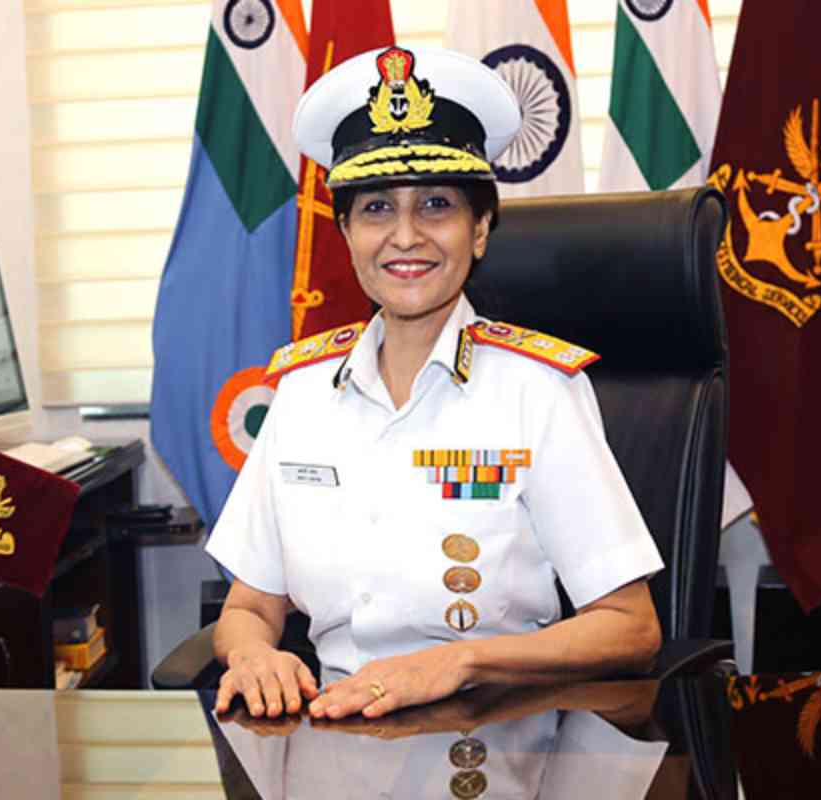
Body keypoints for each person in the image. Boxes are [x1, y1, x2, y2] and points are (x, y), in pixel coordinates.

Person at [205, 46, 664, 722]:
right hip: (333, 735)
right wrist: (252, 654)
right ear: (346, 233)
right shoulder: (303, 391)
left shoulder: (537, 390)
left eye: (437, 205)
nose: (406, 236)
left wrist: (462, 660)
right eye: (376, 209)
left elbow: (631, 626)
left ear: (480, 230)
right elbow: (250, 605)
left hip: (494, 737)